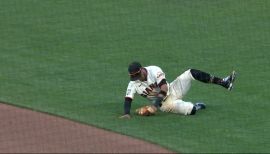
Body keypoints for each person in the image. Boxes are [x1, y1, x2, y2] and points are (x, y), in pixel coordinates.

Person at [119, 61, 236, 119]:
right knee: (191, 109)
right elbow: (128, 99)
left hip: (174, 88)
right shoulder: (133, 83)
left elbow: (164, 87)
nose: (136, 78)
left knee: (191, 72)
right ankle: (198, 106)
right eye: (133, 76)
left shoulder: (153, 70)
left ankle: (223, 82)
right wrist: (126, 113)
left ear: (141, 70)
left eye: (137, 75)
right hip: (166, 104)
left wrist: (154, 105)